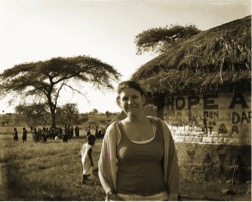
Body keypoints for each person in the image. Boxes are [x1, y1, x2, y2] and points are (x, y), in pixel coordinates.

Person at [98, 80, 180, 201]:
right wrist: (110, 194)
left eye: (134, 97)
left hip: (160, 197)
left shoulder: (160, 127)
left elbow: (173, 162)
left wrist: (173, 194)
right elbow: (104, 166)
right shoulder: (114, 131)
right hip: (124, 198)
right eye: (125, 98)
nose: (130, 102)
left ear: (143, 99)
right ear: (119, 102)